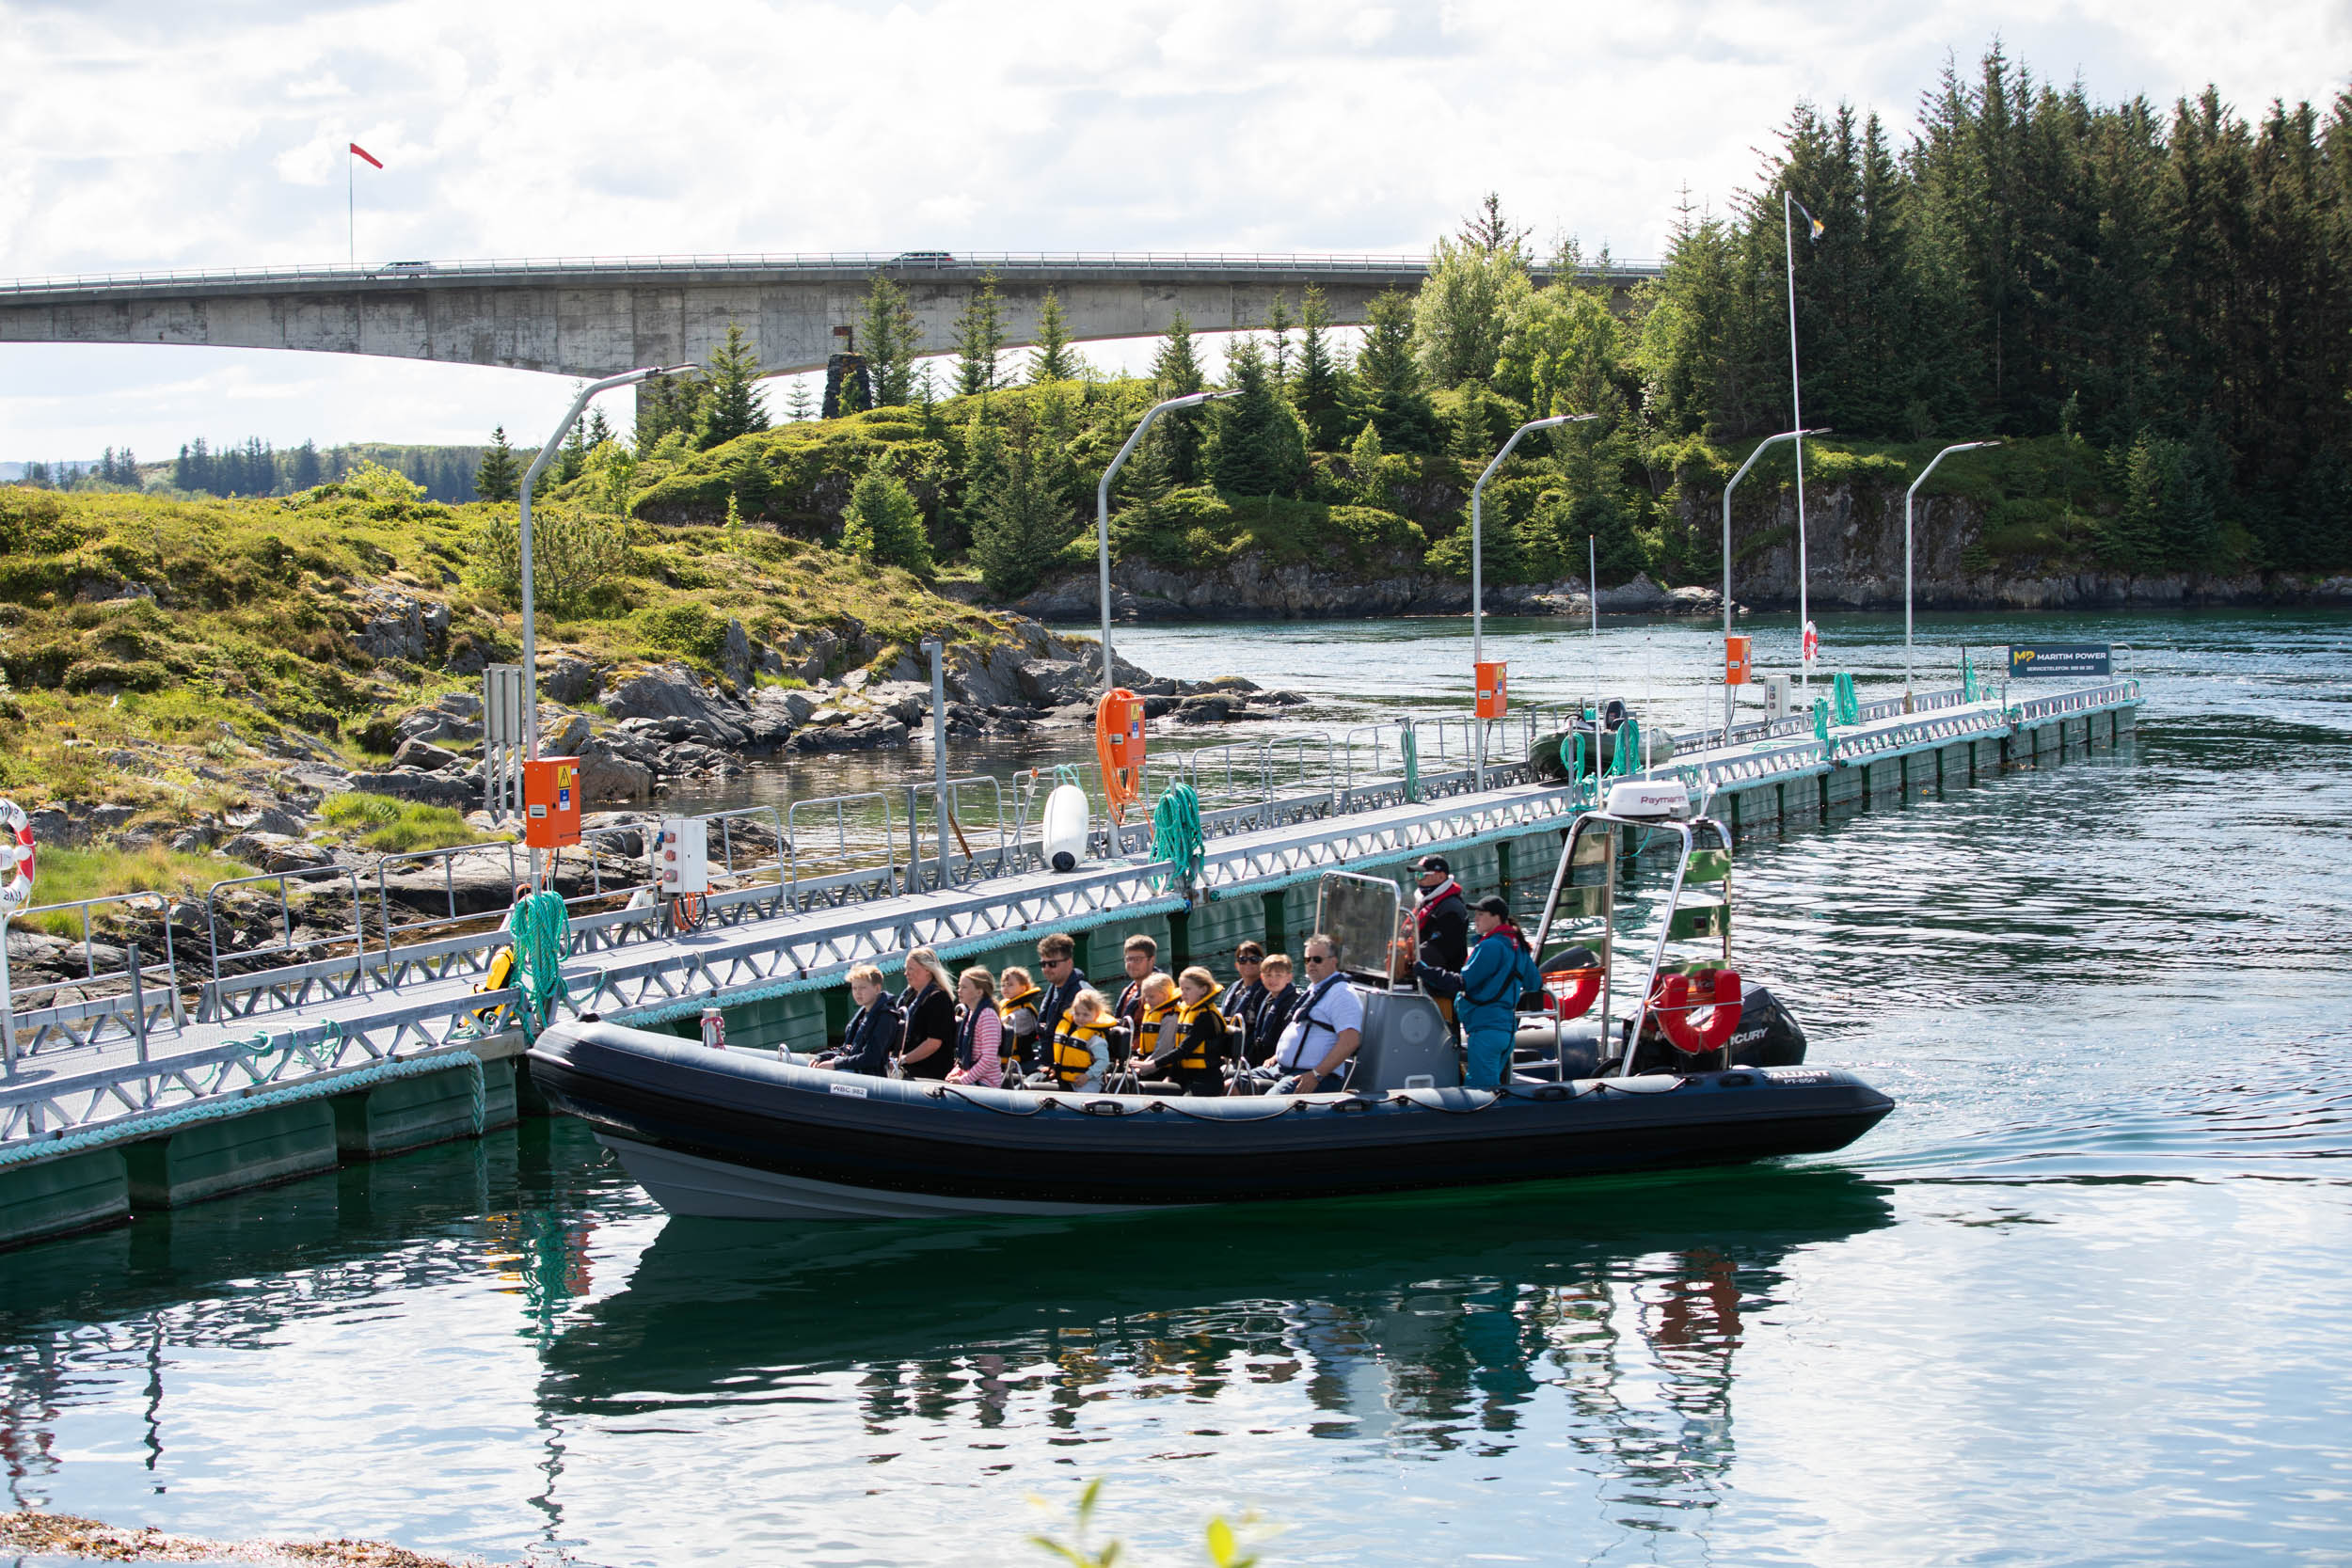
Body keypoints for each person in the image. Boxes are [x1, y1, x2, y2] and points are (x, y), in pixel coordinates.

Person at [1415, 895, 1541, 1088]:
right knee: (1492, 1088)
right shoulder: (1518, 946)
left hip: (1485, 1031)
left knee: (1481, 1094)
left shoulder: (1490, 946)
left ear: (1496, 917)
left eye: (1481, 914)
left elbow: (1462, 982)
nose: (1476, 919)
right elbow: (1534, 983)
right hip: (1505, 1032)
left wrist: (1423, 970)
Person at [1270, 934, 1364, 1093]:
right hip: (1281, 1069)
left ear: (1333, 961)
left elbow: (1350, 1041)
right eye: (1308, 960)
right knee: (1231, 1084)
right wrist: (1278, 1055)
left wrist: (1316, 1075)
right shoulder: (1314, 990)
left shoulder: (1342, 994)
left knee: (1266, 1105)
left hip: (1312, 1076)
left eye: (1317, 959)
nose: (1311, 964)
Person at [1146, 966, 1229, 1096]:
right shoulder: (1187, 1012)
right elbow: (1181, 1056)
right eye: (1182, 989)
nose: (1183, 994)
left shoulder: (1206, 1016)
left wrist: (1152, 1065)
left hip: (1205, 1080)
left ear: (1203, 989)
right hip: (1185, 1077)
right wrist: (1170, 1077)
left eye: (1188, 989)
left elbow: (1184, 1050)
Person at [812, 964, 900, 1076]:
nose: (857, 992)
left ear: (877, 988)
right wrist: (821, 1057)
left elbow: (871, 1057)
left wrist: (836, 1064)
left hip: (869, 1075)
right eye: (854, 988)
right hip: (855, 1067)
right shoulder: (864, 1014)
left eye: (862, 988)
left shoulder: (886, 1018)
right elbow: (846, 1049)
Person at [895, 946, 959, 1080]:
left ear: (928, 970)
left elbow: (933, 1043)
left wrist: (903, 1060)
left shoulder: (939, 999)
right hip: (906, 1065)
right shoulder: (909, 997)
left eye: (910, 968)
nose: (906, 973)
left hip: (929, 1070)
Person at [1047, 988, 1117, 1090]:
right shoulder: (1070, 1031)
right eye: (1077, 1014)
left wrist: (1087, 1076)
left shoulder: (1095, 1038)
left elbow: (1103, 1061)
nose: (1080, 1018)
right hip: (1065, 1079)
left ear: (1096, 1015)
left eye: (1085, 1015)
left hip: (1088, 1082)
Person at [1413, 856, 1471, 972]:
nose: (1417, 879)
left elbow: (1440, 951)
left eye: (1421, 875)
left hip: (1440, 980)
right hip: (1423, 971)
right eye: (1416, 875)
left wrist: (1408, 958)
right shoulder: (1425, 901)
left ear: (1440, 876)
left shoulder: (1451, 909)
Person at [946, 966, 1002, 1087]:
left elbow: (989, 1058)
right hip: (972, 1078)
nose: (959, 990)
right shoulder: (970, 1014)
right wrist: (955, 1073)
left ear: (979, 992)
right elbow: (964, 1059)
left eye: (964, 987)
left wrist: (963, 1080)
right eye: (959, 986)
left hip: (987, 1083)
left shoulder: (987, 1016)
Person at [1247, 953, 1301, 1069]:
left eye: (1278, 975)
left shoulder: (1293, 1004)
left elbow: (1294, 1038)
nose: (1273, 980)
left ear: (1289, 977)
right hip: (1260, 1057)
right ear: (1262, 977)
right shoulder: (1268, 1000)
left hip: (1278, 1062)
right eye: (1268, 975)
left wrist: (1276, 1057)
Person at [1034, 933, 1087, 1045]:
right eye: (1043, 964)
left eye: (1052, 964)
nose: (1046, 969)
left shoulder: (1084, 995)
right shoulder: (1054, 990)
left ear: (1069, 963)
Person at [1127, 973, 1179, 1082]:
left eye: (1151, 996)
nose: (1147, 1000)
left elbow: (1164, 1049)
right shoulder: (1152, 1013)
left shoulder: (1170, 1017)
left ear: (1165, 995)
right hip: (1148, 1062)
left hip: (1161, 1068)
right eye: (1145, 996)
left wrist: (1143, 1068)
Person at [997, 966, 1044, 1079]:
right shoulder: (1005, 1005)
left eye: (1010, 985)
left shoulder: (1023, 1012)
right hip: (1003, 1061)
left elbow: (1005, 1024)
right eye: (1003, 985)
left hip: (1019, 1063)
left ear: (1023, 988)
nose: (1005, 988)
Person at [1111, 933, 1159, 1039]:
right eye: (1129, 959)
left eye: (1137, 959)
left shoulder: (1160, 992)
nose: (1131, 964)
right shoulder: (1127, 991)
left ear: (1151, 960)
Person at [1222, 941, 1267, 1034]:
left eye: (1254, 959)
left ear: (1262, 963)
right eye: (1243, 960)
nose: (1248, 963)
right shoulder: (1233, 989)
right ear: (1236, 965)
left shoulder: (1268, 991)